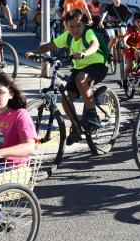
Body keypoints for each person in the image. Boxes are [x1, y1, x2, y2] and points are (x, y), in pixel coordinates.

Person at [25, 10, 108, 145]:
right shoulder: (67, 37)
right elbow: (49, 46)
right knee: (65, 99)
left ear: (84, 25)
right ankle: (76, 127)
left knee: (80, 79)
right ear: (66, 26)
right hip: (80, 67)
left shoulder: (88, 33)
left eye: (78, 26)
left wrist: (85, 53)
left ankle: (93, 115)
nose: (75, 30)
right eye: (72, 27)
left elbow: (95, 44)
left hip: (98, 65)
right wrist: (34, 52)